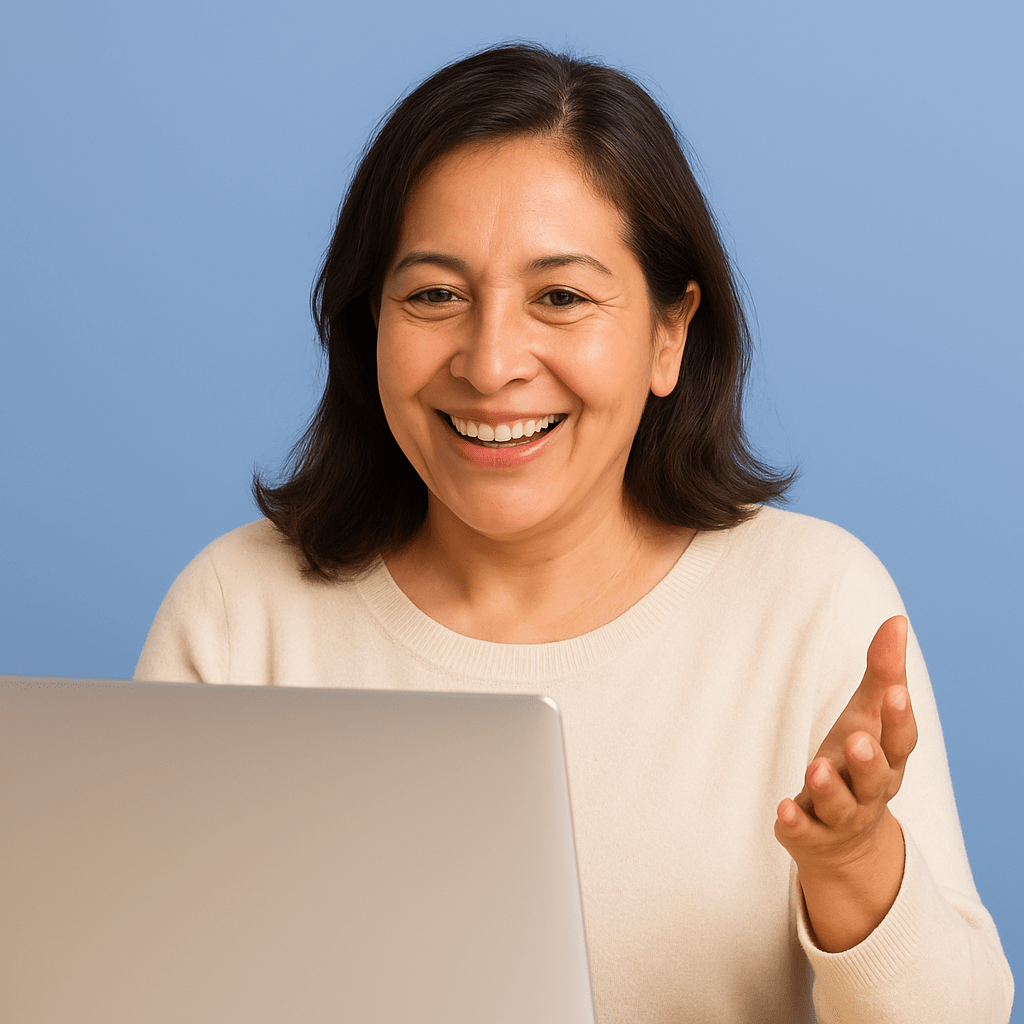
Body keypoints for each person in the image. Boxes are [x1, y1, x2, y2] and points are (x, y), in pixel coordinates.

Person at [135, 43, 1013, 1024]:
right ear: (365, 323)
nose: (491, 361)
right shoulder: (236, 617)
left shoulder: (812, 605)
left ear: (669, 335)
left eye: (559, 297)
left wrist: (852, 864)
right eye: (433, 295)